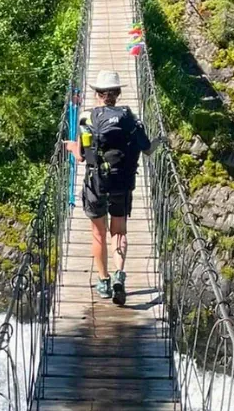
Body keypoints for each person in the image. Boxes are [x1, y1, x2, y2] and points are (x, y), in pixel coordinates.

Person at [66, 70, 153, 305]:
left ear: (97, 94)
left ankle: (103, 282)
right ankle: (119, 276)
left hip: (96, 184)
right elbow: (147, 148)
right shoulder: (130, 118)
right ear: (118, 93)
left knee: (98, 233)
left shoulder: (87, 118)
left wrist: (73, 147)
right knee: (119, 231)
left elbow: (82, 157)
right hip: (122, 183)